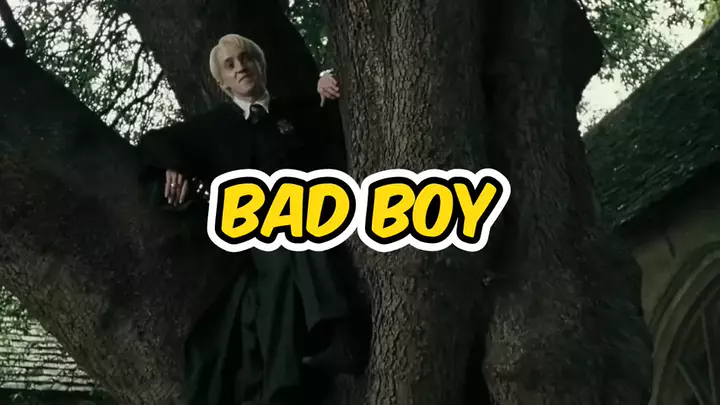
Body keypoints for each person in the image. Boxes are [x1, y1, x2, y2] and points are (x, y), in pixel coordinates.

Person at [136, 34, 362, 405]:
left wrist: (326, 82)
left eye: (246, 58)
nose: (240, 67)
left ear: (260, 66)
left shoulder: (295, 109)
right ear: (222, 82)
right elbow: (153, 143)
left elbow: (336, 112)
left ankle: (322, 348)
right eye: (230, 65)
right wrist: (172, 166)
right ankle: (316, 350)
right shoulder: (213, 128)